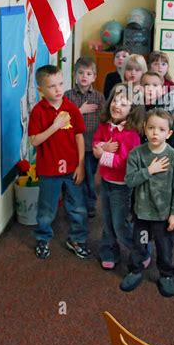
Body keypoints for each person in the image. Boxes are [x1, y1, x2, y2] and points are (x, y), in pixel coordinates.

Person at [122, 109, 174, 296]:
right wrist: (149, 170)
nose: (155, 133)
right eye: (151, 128)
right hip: (142, 213)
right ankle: (135, 270)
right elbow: (130, 180)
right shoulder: (136, 154)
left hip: (163, 216)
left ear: (169, 133)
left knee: (164, 247)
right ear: (144, 129)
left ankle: (166, 275)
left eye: (161, 129)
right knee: (139, 245)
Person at [28, 64, 88, 260]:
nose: (58, 90)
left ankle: (76, 239)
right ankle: (43, 238)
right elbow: (35, 140)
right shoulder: (38, 111)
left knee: (77, 206)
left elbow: (79, 137)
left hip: (72, 168)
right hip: (48, 171)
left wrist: (80, 164)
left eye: (61, 84)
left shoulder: (71, 108)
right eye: (52, 86)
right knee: (46, 208)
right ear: (41, 90)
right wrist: (55, 126)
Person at [92, 84, 143, 270]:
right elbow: (96, 141)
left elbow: (123, 162)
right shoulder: (106, 125)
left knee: (120, 225)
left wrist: (100, 154)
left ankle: (140, 251)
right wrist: (103, 148)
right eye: (115, 100)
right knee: (106, 221)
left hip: (122, 186)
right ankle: (108, 252)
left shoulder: (131, 135)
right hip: (106, 182)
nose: (117, 105)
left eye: (124, 103)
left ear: (132, 110)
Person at [65, 57, 104, 217]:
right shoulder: (67, 96)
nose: (84, 76)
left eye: (88, 73)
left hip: (91, 144)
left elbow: (104, 119)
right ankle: (74, 205)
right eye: (81, 72)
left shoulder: (98, 97)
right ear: (75, 75)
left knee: (89, 175)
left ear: (94, 77)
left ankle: (89, 204)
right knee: (72, 176)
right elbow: (63, 117)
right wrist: (79, 110)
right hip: (71, 145)